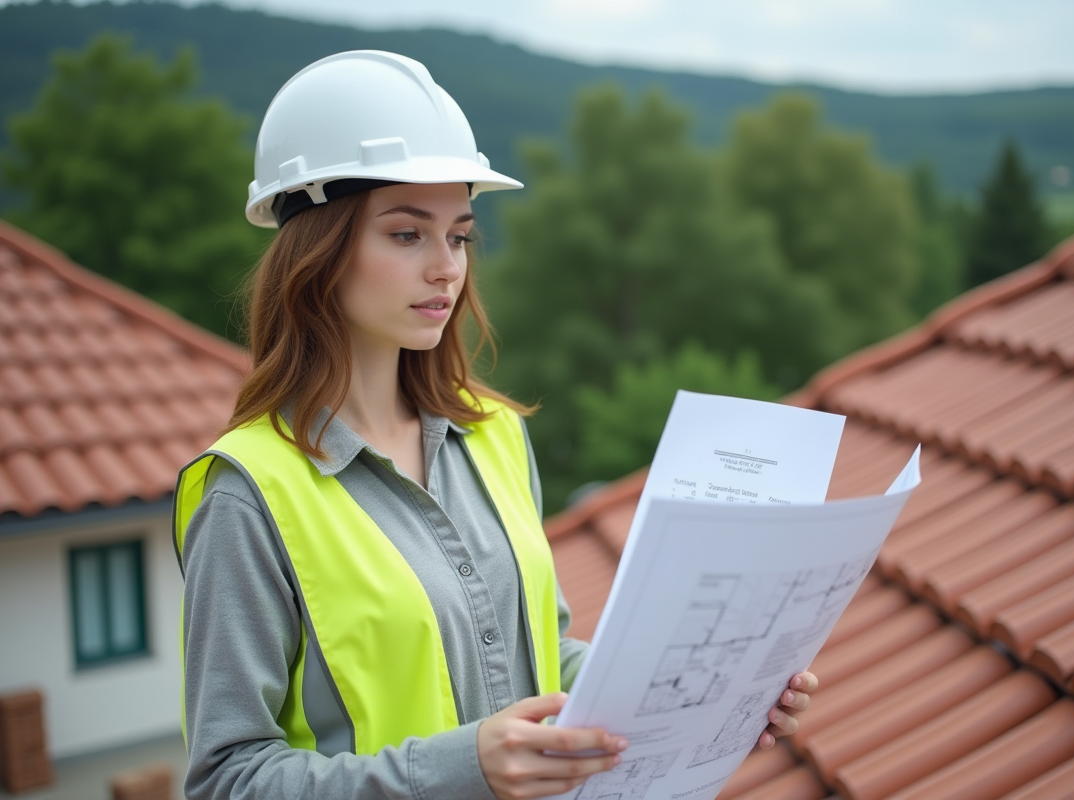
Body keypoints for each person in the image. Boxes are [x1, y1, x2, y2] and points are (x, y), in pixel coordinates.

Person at [173, 50, 817, 800]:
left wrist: (706, 694)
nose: (447, 267)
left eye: (459, 236)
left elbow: (540, 659)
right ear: (316, 250)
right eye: (407, 234)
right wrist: (461, 769)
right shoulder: (247, 496)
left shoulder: (495, 435)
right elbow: (227, 779)